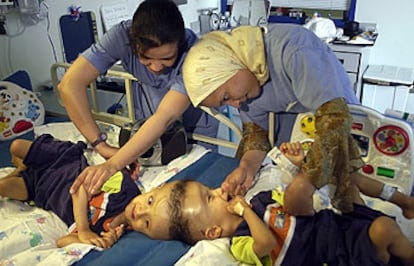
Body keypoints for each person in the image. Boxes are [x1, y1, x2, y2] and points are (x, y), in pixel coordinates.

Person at [181, 24, 402, 215]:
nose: (236, 105)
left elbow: (334, 122)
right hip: (298, 153)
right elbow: (257, 135)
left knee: (349, 194)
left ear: (230, 67)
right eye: (224, 104)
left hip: (335, 135)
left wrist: (306, 182)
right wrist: (246, 168)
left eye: (227, 97)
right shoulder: (247, 84)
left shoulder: (294, 50)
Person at [59, 0, 218, 196]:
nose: (157, 68)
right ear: (133, 44)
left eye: (167, 58)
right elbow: (69, 85)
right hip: (148, 120)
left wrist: (112, 165)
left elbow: (165, 116)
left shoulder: (194, 52)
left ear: (180, 44)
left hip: (194, 126)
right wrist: (100, 145)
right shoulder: (121, 36)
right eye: (146, 59)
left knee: (193, 191)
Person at [168, 179, 414, 265]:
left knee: (347, 180)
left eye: (210, 189)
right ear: (213, 231)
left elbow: (300, 210)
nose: (220, 190)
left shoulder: (261, 200)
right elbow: (264, 243)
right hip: (335, 253)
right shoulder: (239, 243)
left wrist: (300, 169)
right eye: (210, 197)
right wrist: (245, 213)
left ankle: (405, 202)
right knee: (385, 229)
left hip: (333, 224)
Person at [0, 135, 178, 248]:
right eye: (149, 202)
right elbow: (81, 187)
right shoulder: (126, 190)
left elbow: (62, 242)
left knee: (3, 187)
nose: (139, 212)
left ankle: (21, 167)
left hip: (43, 190)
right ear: (153, 190)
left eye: (146, 222)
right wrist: (84, 229)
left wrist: (93, 240)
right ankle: (22, 163)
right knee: (16, 146)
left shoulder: (106, 231)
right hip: (62, 162)